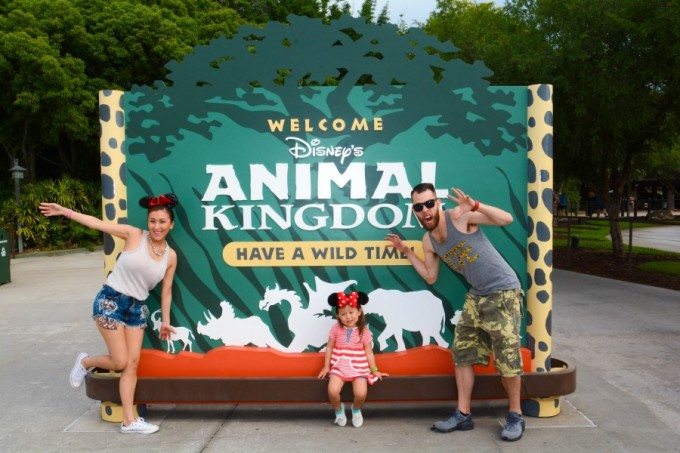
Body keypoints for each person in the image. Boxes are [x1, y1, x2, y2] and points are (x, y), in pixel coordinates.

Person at [386, 183, 525, 442]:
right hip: (477, 295)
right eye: (418, 207)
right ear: (414, 211)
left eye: (429, 203)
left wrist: (475, 205)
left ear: (437, 203)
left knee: (507, 355)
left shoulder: (458, 217)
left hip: (503, 291)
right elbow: (430, 276)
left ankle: (515, 415)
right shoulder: (428, 241)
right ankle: (463, 414)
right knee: (462, 352)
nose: (425, 210)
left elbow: (506, 219)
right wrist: (407, 252)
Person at [39, 194, 179, 435]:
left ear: (171, 224)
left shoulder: (170, 256)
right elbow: (97, 223)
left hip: (137, 308)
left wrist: (165, 321)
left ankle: (129, 421)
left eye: (162, 222)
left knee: (132, 364)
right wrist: (66, 211)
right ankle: (85, 361)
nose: (157, 226)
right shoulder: (134, 235)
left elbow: (166, 291)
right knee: (120, 361)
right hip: (110, 301)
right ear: (148, 222)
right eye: (153, 221)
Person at [317, 291, 388, 427]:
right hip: (339, 368)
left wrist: (374, 370)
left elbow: (369, 353)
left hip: (359, 369)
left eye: (351, 312)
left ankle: (356, 410)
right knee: (332, 391)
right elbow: (330, 348)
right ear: (338, 315)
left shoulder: (364, 332)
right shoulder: (336, 329)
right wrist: (327, 366)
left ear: (359, 311)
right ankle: (338, 410)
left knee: (360, 393)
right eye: (343, 314)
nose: (348, 317)